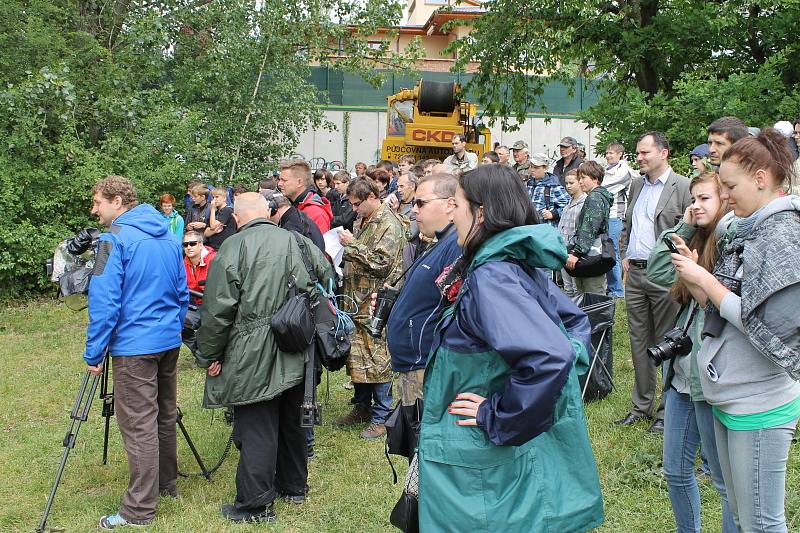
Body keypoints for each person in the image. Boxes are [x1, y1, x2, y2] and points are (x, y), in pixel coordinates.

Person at [417, 164, 603, 532]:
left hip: (483, 462)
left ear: (481, 212)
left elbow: (551, 357)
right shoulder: (511, 264)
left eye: (457, 204)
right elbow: (573, 325)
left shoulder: (493, 278)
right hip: (493, 458)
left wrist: (499, 415)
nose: (451, 213)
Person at [671, 129, 800, 533]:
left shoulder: (782, 235)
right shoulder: (747, 230)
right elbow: (727, 310)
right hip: (732, 394)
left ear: (761, 178)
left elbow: (768, 325)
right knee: (744, 517)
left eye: (730, 186)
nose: (724, 196)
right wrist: (695, 278)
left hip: (759, 401)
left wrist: (707, 282)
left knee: (762, 522)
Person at [196, 193, 333, 524]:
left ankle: (255, 504)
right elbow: (328, 276)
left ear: (239, 218)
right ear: (268, 213)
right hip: (299, 341)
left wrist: (209, 354)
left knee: (257, 421)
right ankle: (294, 487)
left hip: (253, 346)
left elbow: (217, 310)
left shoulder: (233, 247)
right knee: (292, 417)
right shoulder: (297, 240)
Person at [83, 175, 188, 530]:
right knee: (163, 415)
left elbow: (104, 301)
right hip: (166, 341)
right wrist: (172, 329)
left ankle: (138, 510)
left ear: (117, 201)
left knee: (138, 423)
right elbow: (182, 291)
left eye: (98, 202)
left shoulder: (111, 242)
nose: (94, 210)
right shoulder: (169, 236)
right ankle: (165, 484)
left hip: (134, 347)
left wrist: (94, 352)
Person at [646, 172, 737, 533]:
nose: (696, 206)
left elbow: (724, 309)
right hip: (682, 375)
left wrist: (697, 273)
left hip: (711, 376)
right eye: (693, 199)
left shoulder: (730, 244)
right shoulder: (693, 238)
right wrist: (683, 229)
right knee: (675, 470)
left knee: (724, 481)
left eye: (704, 199)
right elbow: (655, 271)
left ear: (726, 202)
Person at [617, 131, 691, 433]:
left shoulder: (683, 186)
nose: (640, 157)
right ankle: (641, 406)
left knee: (666, 342)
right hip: (635, 273)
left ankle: (665, 412)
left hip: (665, 276)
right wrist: (624, 252)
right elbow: (628, 223)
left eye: (645, 152)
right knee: (639, 342)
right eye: (638, 153)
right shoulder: (636, 184)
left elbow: (692, 229)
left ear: (664, 153)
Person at [335, 178, 407, 439]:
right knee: (357, 356)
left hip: (376, 301)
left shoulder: (388, 223)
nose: (354, 209)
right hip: (356, 299)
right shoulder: (363, 220)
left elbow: (382, 263)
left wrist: (352, 245)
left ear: (371, 197)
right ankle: (362, 406)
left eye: (357, 204)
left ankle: (382, 416)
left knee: (377, 358)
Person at [383, 173, 462, 408]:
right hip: (413, 363)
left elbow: (454, 311)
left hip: (424, 365)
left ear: (450, 204)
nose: (414, 210)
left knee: (419, 438)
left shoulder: (456, 245)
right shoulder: (440, 242)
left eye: (420, 202)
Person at [565, 161, 613, 295]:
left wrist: (576, 253)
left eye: (583, 178)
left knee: (592, 300)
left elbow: (589, 228)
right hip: (593, 256)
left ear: (595, 179)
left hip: (591, 256)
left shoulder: (595, 198)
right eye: (579, 178)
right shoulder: (599, 196)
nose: (580, 182)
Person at [602, 142, 636, 298]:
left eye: (612, 153)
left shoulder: (624, 172)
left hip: (616, 216)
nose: (608, 155)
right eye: (607, 153)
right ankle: (611, 287)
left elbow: (606, 188)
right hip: (606, 215)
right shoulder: (607, 170)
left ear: (620, 154)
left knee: (613, 251)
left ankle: (617, 290)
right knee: (607, 251)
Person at [278, 159, 333, 234]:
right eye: (279, 180)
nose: (279, 184)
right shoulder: (295, 205)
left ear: (299, 182)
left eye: (284, 180)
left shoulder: (316, 213)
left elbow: (319, 245)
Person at [558, 169, 586, 296]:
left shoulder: (585, 202)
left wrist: (576, 251)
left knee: (577, 288)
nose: (568, 186)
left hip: (575, 251)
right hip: (564, 249)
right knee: (567, 288)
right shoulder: (568, 202)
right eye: (566, 183)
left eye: (571, 183)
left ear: (580, 182)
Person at [526, 152, 570, 228]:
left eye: (536, 167)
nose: (532, 170)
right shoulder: (529, 184)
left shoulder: (553, 186)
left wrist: (553, 214)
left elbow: (568, 207)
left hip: (547, 230)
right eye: (531, 166)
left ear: (545, 168)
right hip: (531, 228)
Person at [183, 230, 215, 304]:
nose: (188, 247)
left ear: (201, 245)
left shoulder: (213, 260)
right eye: (185, 245)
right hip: (190, 302)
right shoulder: (183, 262)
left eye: (192, 244)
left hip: (209, 305)